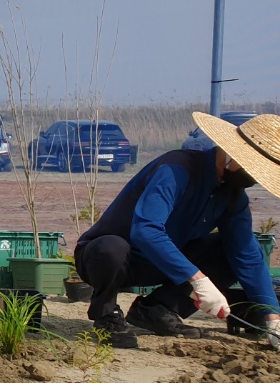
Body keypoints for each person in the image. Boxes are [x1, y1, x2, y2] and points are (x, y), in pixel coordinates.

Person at [74, 112, 280, 348]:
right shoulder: (177, 169)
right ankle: (106, 314)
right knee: (110, 248)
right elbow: (146, 231)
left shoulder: (233, 198)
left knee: (226, 251)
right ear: (233, 155)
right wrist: (198, 280)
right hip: (114, 258)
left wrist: (273, 317)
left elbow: (248, 256)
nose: (254, 180)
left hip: (162, 265)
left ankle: (157, 310)